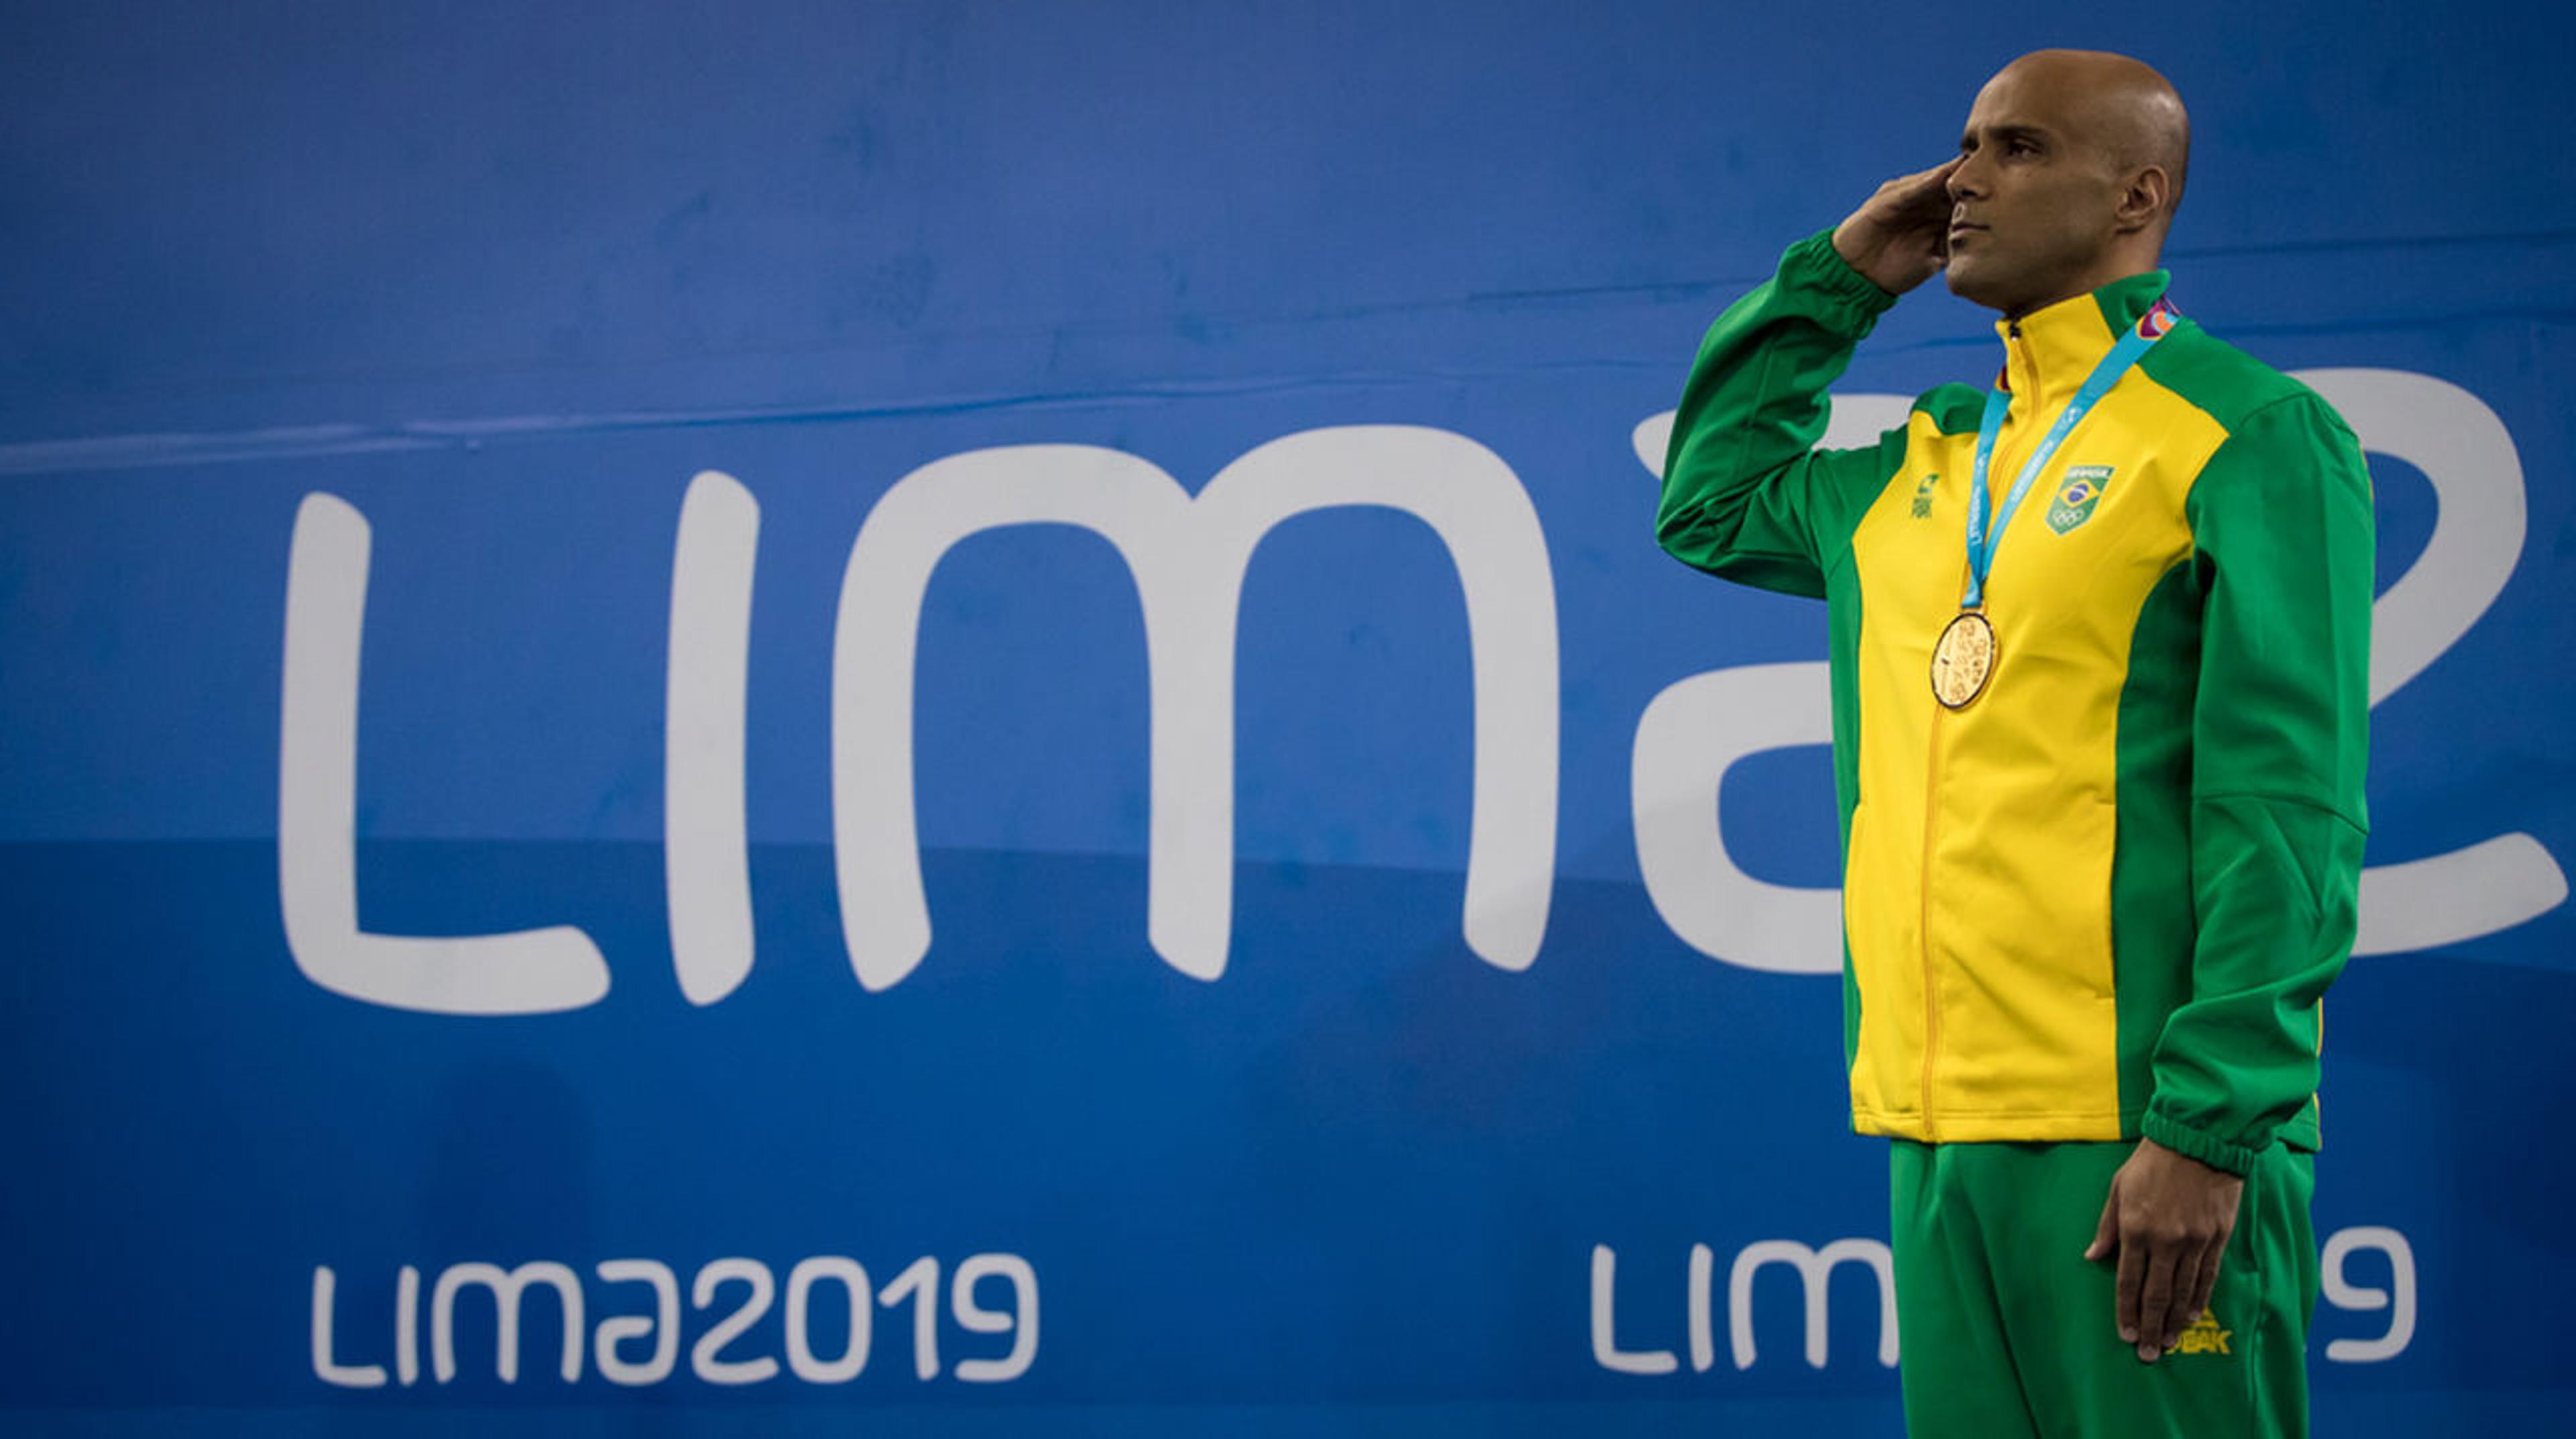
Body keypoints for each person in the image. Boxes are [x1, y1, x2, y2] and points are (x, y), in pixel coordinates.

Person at [1654, 50, 2372, 1438]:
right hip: (1935, 1133)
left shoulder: (2248, 434)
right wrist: (1844, 274)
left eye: (2021, 148)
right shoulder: (1923, 469)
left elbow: (2288, 807)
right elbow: (1712, 498)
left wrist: (2209, 1126)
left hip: (2141, 1137)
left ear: (2137, 194)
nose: (1967, 177)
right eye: (1965, 145)